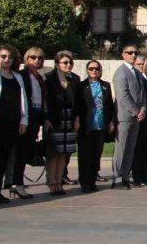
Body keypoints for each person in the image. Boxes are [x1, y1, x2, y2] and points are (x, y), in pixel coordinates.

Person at [0, 45, 28, 204]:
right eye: (3, 56)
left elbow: (23, 99)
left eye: (10, 57)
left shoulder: (17, 77)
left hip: (11, 124)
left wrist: (24, 119)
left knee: (2, 160)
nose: (7, 59)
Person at [9, 47, 45, 199]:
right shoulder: (21, 75)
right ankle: (16, 184)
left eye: (39, 58)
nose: (36, 60)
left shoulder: (39, 77)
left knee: (25, 151)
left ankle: (16, 183)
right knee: (19, 153)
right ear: (26, 59)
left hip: (35, 118)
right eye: (33, 57)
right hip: (24, 119)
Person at [76, 60, 115, 193]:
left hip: (100, 125)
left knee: (96, 155)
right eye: (91, 68)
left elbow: (110, 105)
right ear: (87, 70)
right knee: (85, 155)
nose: (94, 71)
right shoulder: (81, 86)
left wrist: (111, 121)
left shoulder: (105, 86)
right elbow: (78, 106)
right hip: (86, 125)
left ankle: (92, 181)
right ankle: (85, 182)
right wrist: (77, 120)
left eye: (96, 69)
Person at [44, 51, 79, 195]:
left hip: (69, 119)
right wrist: (46, 118)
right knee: (54, 153)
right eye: (65, 62)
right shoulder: (49, 79)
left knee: (64, 153)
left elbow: (79, 102)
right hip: (54, 119)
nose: (68, 65)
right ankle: (52, 183)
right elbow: (45, 100)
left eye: (70, 62)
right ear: (57, 63)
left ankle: (59, 182)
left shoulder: (74, 79)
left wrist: (77, 119)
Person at [112, 45, 145, 190]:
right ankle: (117, 178)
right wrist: (136, 111)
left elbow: (142, 94)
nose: (133, 55)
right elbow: (123, 95)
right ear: (123, 54)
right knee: (121, 148)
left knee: (130, 148)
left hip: (136, 116)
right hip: (125, 116)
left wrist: (143, 109)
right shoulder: (121, 72)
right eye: (129, 52)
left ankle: (125, 176)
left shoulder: (137, 73)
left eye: (135, 53)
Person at [132, 56, 147, 186]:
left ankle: (143, 174)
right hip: (140, 120)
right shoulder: (139, 80)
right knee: (139, 149)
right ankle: (137, 176)